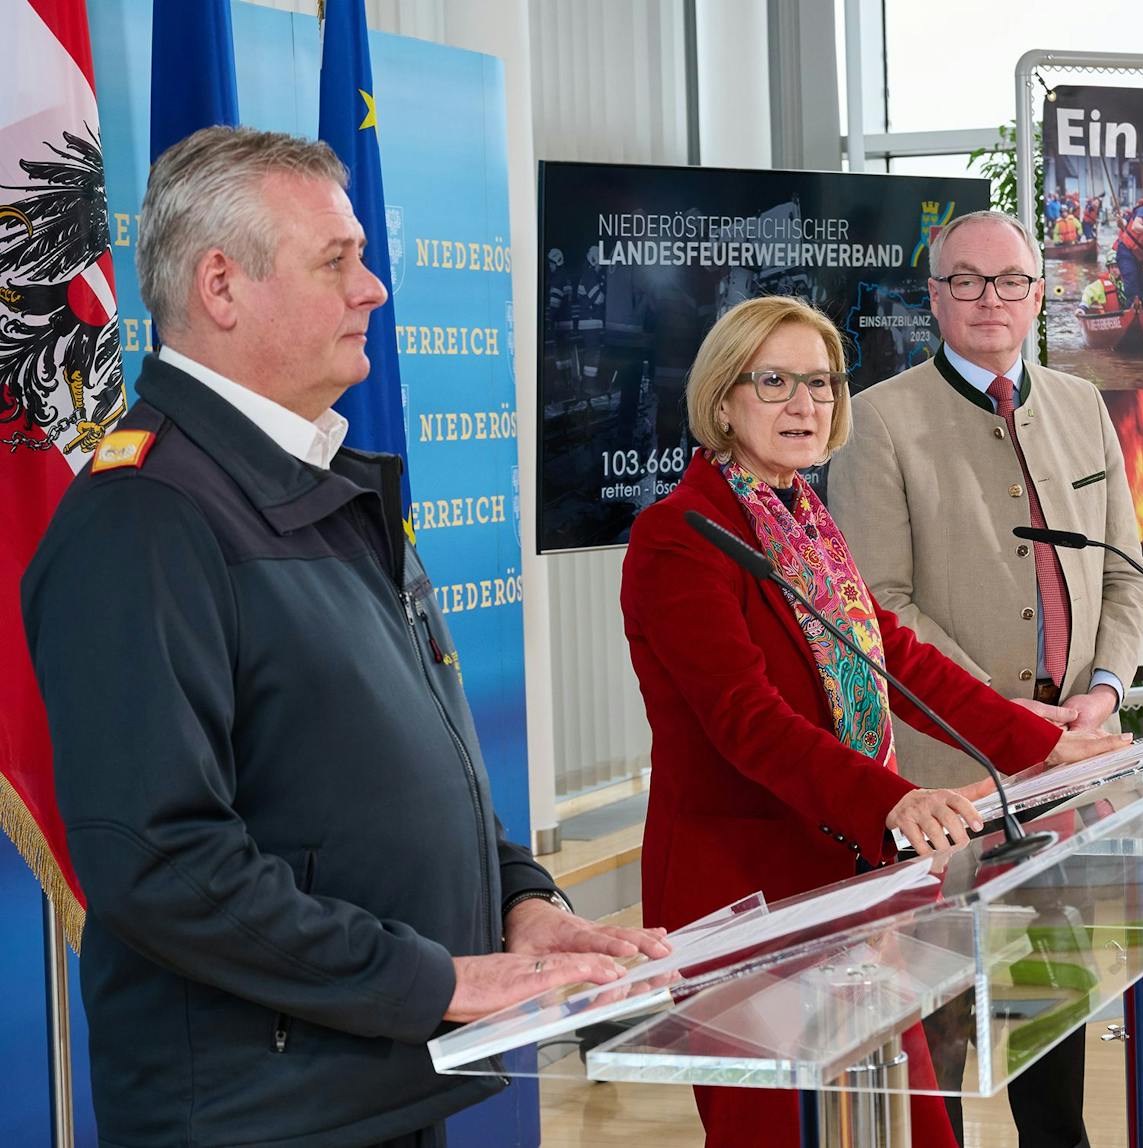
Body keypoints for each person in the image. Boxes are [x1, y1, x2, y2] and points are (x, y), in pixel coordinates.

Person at [22, 126, 670, 1148]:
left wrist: (523, 902)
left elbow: (412, 772)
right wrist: (434, 978)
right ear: (223, 287)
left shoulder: (321, 482)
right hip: (259, 1113)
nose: (373, 290)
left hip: (380, 1076)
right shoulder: (144, 517)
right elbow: (162, 859)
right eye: (338, 261)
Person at [620, 293, 1130, 1148]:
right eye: (774, 381)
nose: (804, 405)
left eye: (820, 384)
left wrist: (1044, 745)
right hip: (745, 888)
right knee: (779, 1133)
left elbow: (891, 656)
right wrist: (892, 800)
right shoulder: (680, 537)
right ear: (722, 400)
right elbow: (747, 719)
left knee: (908, 1123)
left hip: (846, 873)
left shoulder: (802, 520)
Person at [830, 209, 1143, 1148]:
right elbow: (878, 610)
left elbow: (1125, 573)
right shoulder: (880, 422)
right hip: (945, 783)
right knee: (937, 1025)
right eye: (965, 281)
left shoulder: (1084, 405)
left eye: (1010, 281)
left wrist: (1104, 686)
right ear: (934, 298)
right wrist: (1000, 713)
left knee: (1049, 1001)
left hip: (1067, 773)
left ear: (1039, 294)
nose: (989, 300)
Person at [1114, 198, 1143, 315]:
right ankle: (1129, 313)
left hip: (1137, 259)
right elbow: (1126, 225)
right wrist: (1119, 220)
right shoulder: (1141, 212)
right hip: (1123, 251)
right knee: (1132, 293)